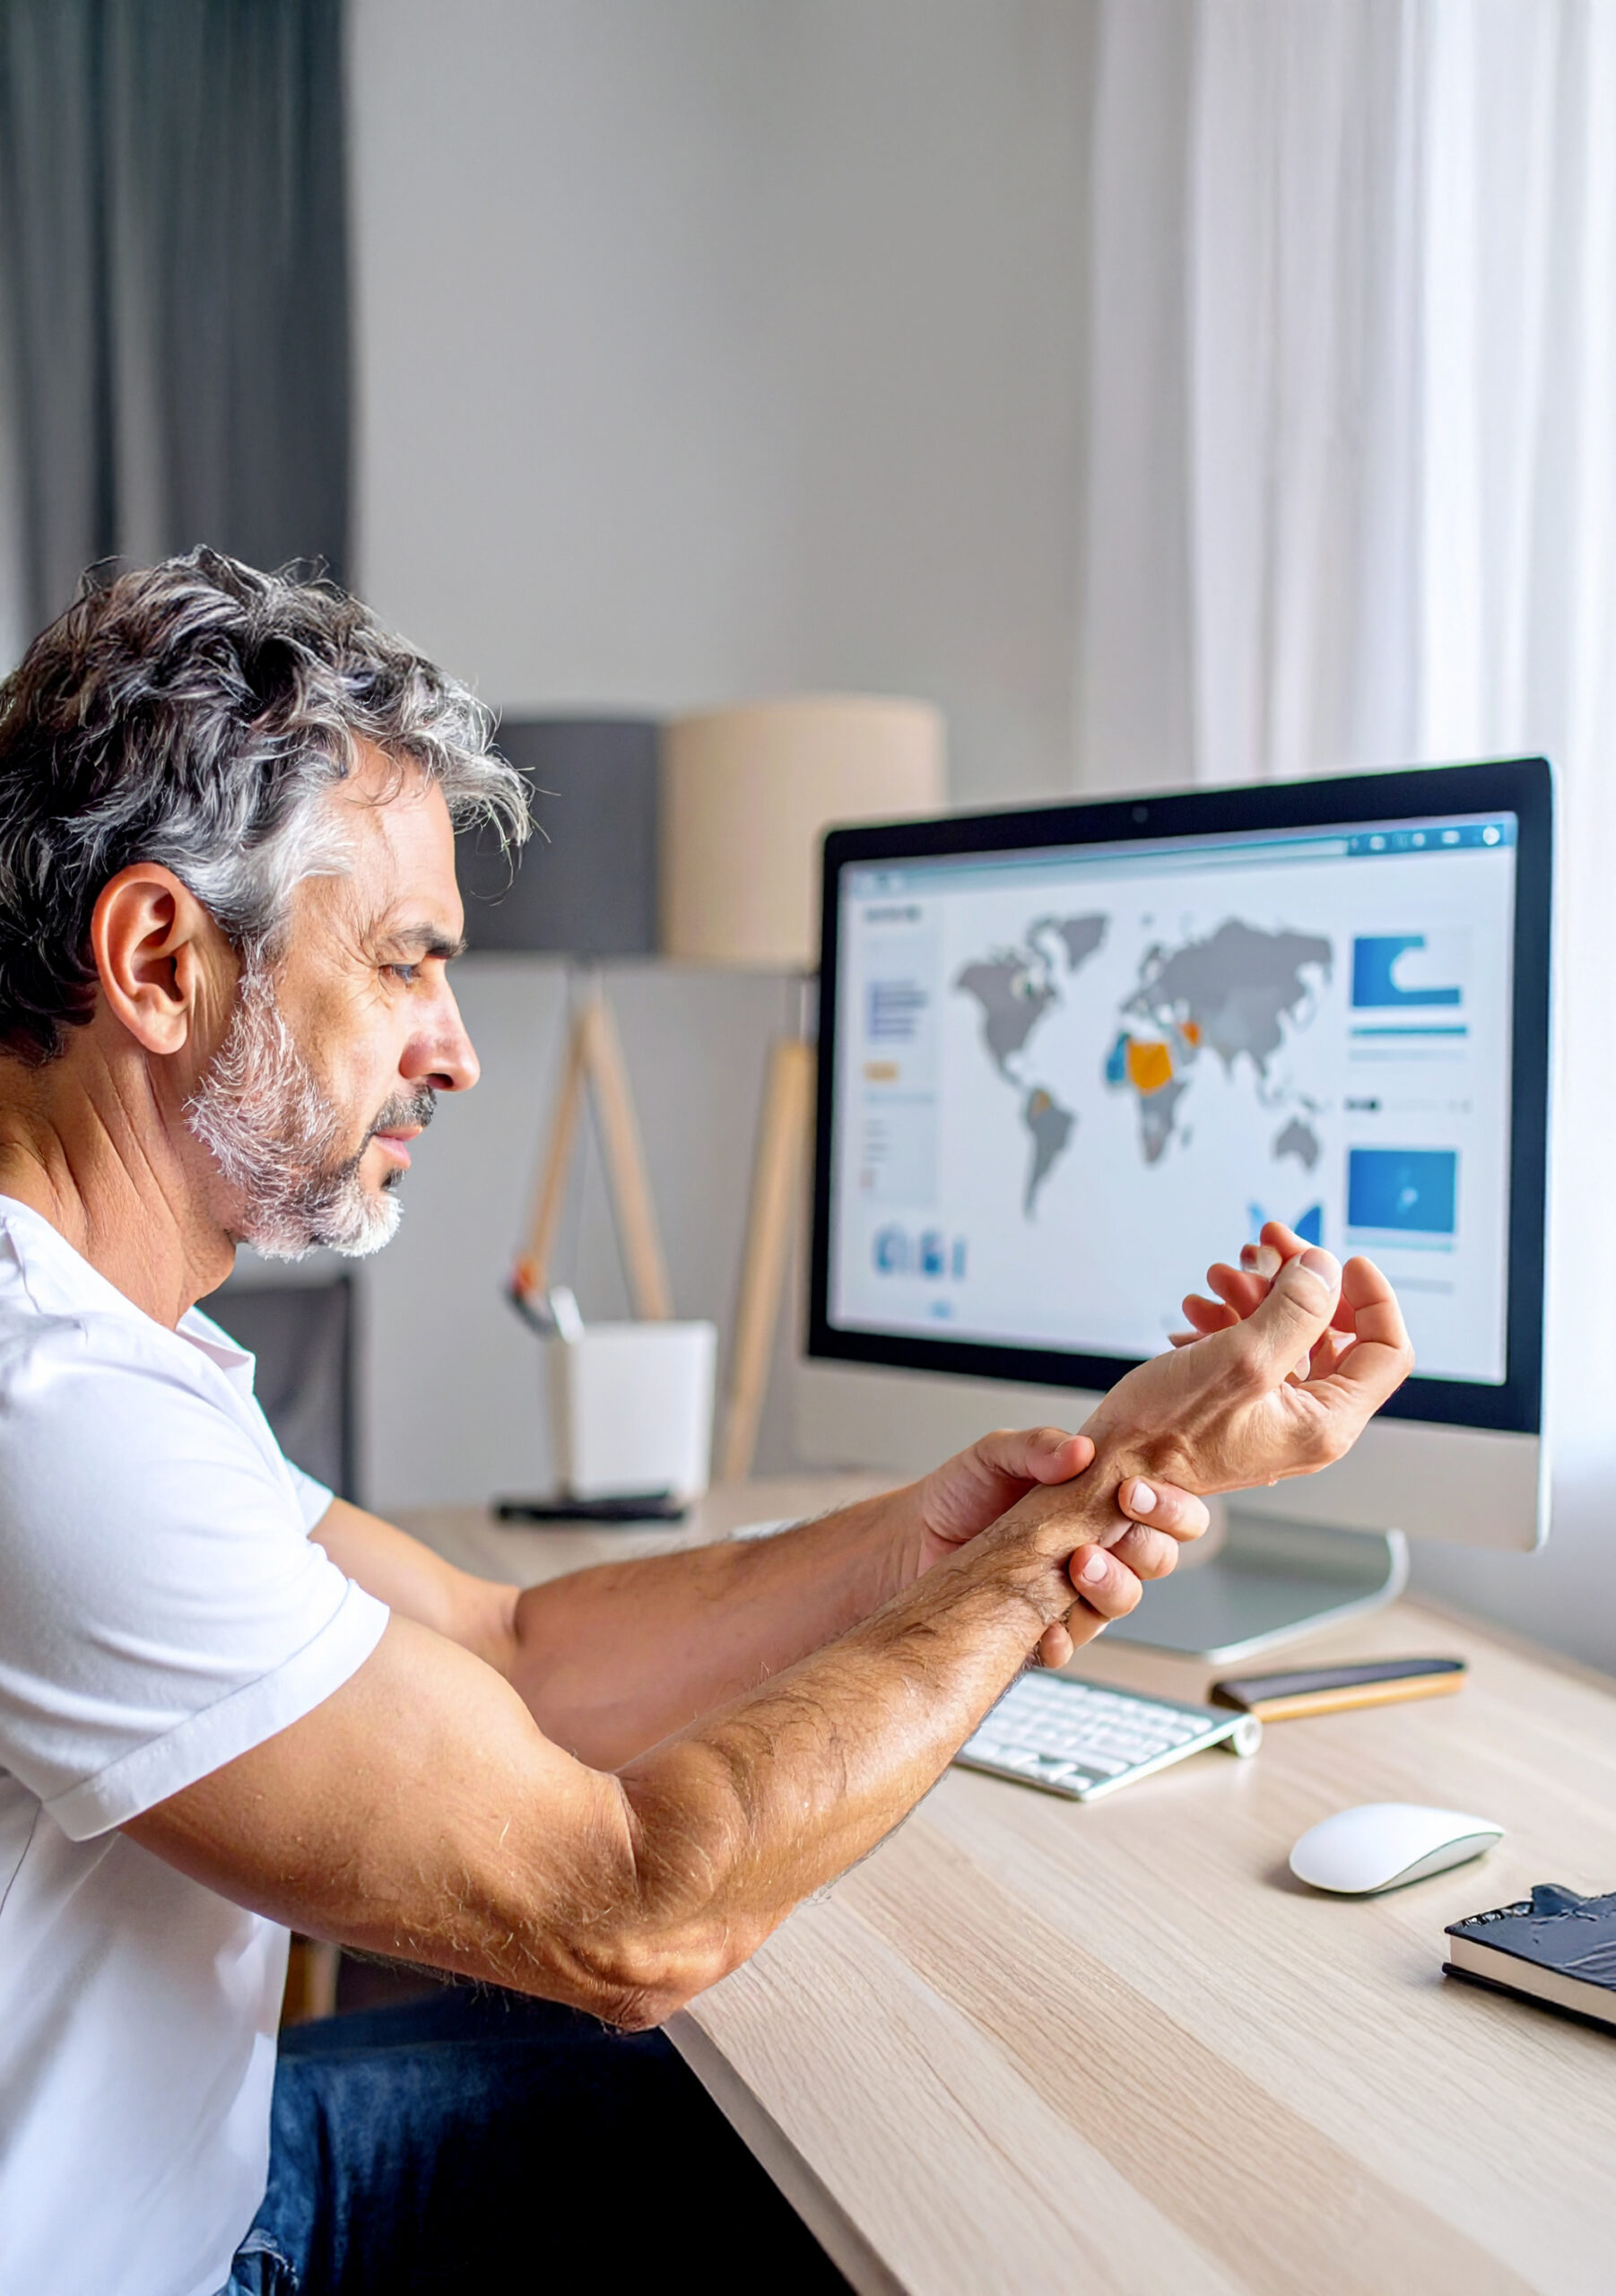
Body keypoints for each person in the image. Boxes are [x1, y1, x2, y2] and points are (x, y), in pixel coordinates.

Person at [0, 552, 1413, 2296]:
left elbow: (505, 1643)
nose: (455, 1050)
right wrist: (1065, 1549)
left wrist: (963, 1524)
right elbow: (630, 1909)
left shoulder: (115, 1349)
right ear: (158, 959)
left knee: (804, 2125)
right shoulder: (49, 1420)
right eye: (403, 964)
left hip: (203, 2178)